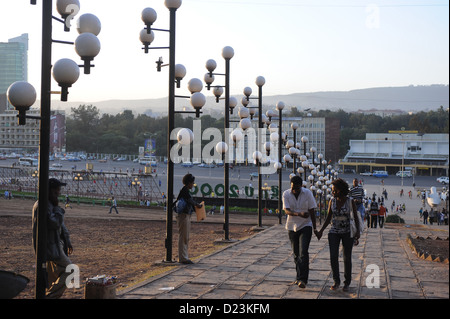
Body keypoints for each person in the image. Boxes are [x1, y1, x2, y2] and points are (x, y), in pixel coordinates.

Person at [315, 178, 360, 292]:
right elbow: (328, 217)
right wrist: (321, 230)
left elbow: (355, 217)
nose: (332, 192)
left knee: (346, 257)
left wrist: (357, 232)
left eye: (334, 190)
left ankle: (347, 282)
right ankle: (336, 281)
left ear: (340, 190)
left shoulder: (350, 201)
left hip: (347, 232)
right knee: (333, 256)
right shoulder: (332, 201)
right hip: (334, 231)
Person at [32, 178, 73, 299]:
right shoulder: (44, 205)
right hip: (50, 247)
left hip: (53, 245)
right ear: (49, 191)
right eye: (56, 192)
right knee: (70, 270)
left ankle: (50, 295)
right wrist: (59, 211)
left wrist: (67, 240)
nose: (58, 194)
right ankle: (50, 297)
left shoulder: (49, 204)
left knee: (54, 276)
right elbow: (54, 223)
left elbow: (61, 225)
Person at [282, 175, 317, 289]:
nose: (294, 190)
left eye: (296, 188)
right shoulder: (286, 194)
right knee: (296, 254)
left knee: (303, 252)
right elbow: (287, 210)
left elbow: (312, 210)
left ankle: (303, 279)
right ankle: (298, 277)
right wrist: (299, 214)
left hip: (306, 226)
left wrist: (315, 228)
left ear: (301, 186)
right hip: (292, 227)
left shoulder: (308, 193)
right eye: (292, 188)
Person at [176, 174, 202, 264]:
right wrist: (198, 205)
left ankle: (184, 256)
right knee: (183, 237)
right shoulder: (185, 191)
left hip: (185, 216)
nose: (193, 184)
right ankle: (183, 258)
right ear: (189, 183)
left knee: (185, 237)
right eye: (192, 182)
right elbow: (191, 201)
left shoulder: (185, 191)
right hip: (183, 216)